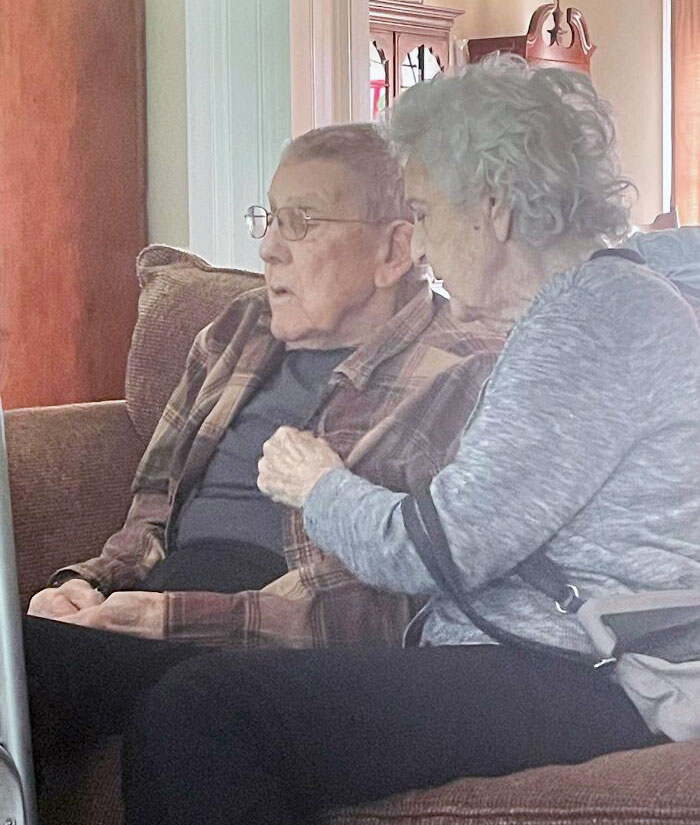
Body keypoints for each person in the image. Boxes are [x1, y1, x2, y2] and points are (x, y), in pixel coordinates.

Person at [120, 56, 700, 825]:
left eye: (425, 211)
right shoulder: (596, 302)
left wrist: (315, 481)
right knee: (206, 692)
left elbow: (437, 548)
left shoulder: (589, 320)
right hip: (541, 655)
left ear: (491, 208)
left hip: (578, 672)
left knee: (205, 710)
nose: (420, 243)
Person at [23, 125, 500, 763]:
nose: (269, 249)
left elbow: (379, 609)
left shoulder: (459, 372)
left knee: (29, 669)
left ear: (396, 249)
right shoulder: (236, 329)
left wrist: (158, 619)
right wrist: (84, 588)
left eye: (301, 222)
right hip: (161, 601)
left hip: (267, 638)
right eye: (269, 218)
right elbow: (149, 518)